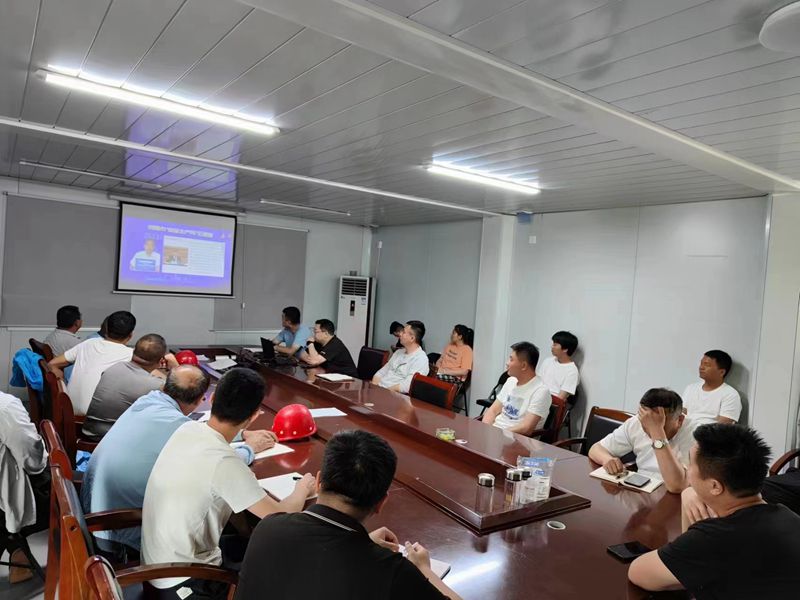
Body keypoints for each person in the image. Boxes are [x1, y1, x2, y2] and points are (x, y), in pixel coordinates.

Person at [142, 368, 316, 599]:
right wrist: (303, 489)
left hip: (154, 570)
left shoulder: (187, 428)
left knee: (246, 540)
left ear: (213, 398)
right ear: (254, 416)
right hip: (184, 583)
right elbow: (281, 518)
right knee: (286, 571)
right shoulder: (225, 463)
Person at [235, 430, 462, 600]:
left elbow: (318, 567)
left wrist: (364, 543)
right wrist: (423, 569)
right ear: (381, 503)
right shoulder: (391, 572)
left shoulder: (268, 528)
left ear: (319, 481)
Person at [81, 366, 275, 560]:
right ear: (203, 400)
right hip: (118, 529)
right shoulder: (188, 433)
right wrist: (249, 448)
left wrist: (242, 434)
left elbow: (205, 437)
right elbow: (219, 461)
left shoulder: (149, 402)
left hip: (96, 509)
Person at [629, 424, 800, 597]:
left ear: (715, 486)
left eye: (690, 464)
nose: (687, 469)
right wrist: (688, 493)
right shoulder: (787, 515)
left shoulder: (715, 538)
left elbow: (638, 572)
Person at [589, 388, 697, 493]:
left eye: (660, 422)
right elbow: (596, 449)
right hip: (642, 489)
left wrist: (657, 431)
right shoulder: (639, 421)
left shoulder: (695, 433)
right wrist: (607, 459)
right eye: (645, 421)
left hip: (675, 496)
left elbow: (676, 486)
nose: (648, 427)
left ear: (680, 420)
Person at [82, 334, 179, 442]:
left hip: (88, 432)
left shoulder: (114, 367)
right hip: (113, 439)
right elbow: (181, 397)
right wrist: (176, 367)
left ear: (133, 351)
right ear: (161, 361)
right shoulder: (154, 385)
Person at [0, 392, 49, 584]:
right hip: (4, 509)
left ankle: (17, 551)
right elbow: (34, 461)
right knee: (63, 488)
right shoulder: (5, 407)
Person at [48, 310, 137, 415]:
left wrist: (61, 385)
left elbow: (52, 364)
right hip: (98, 417)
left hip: (69, 411)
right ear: (130, 335)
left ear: (106, 329)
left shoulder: (88, 343)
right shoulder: (130, 355)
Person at [481, 342, 550, 436]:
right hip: (495, 433)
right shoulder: (511, 381)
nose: (507, 363)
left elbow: (526, 428)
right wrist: (486, 430)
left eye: (511, 359)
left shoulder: (541, 391)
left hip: (516, 439)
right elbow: (493, 410)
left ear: (524, 366)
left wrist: (498, 434)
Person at [681, 350, 741, 424]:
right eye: (701, 363)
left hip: (706, 431)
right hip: (684, 430)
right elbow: (681, 414)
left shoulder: (730, 394)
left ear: (721, 372)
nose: (701, 367)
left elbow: (722, 427)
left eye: (707, 365)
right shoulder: (691, 388)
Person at [372, 321, 429, 393]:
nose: (400, 334)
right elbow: (382, 372)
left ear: (412, 338)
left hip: (393, 395)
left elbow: (407, 385)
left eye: (404, 332)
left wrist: (384, 392)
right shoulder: (398, 352)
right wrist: (374, 387)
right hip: (379, 390)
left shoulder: (421, 359)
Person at [537, 331, 580, 400]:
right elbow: (537, 382)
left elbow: (560, 399)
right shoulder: (548, 361)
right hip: (536, 398)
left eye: (555, 345)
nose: (552, 347)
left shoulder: (572, 371)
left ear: (565, 349)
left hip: (551, 403)